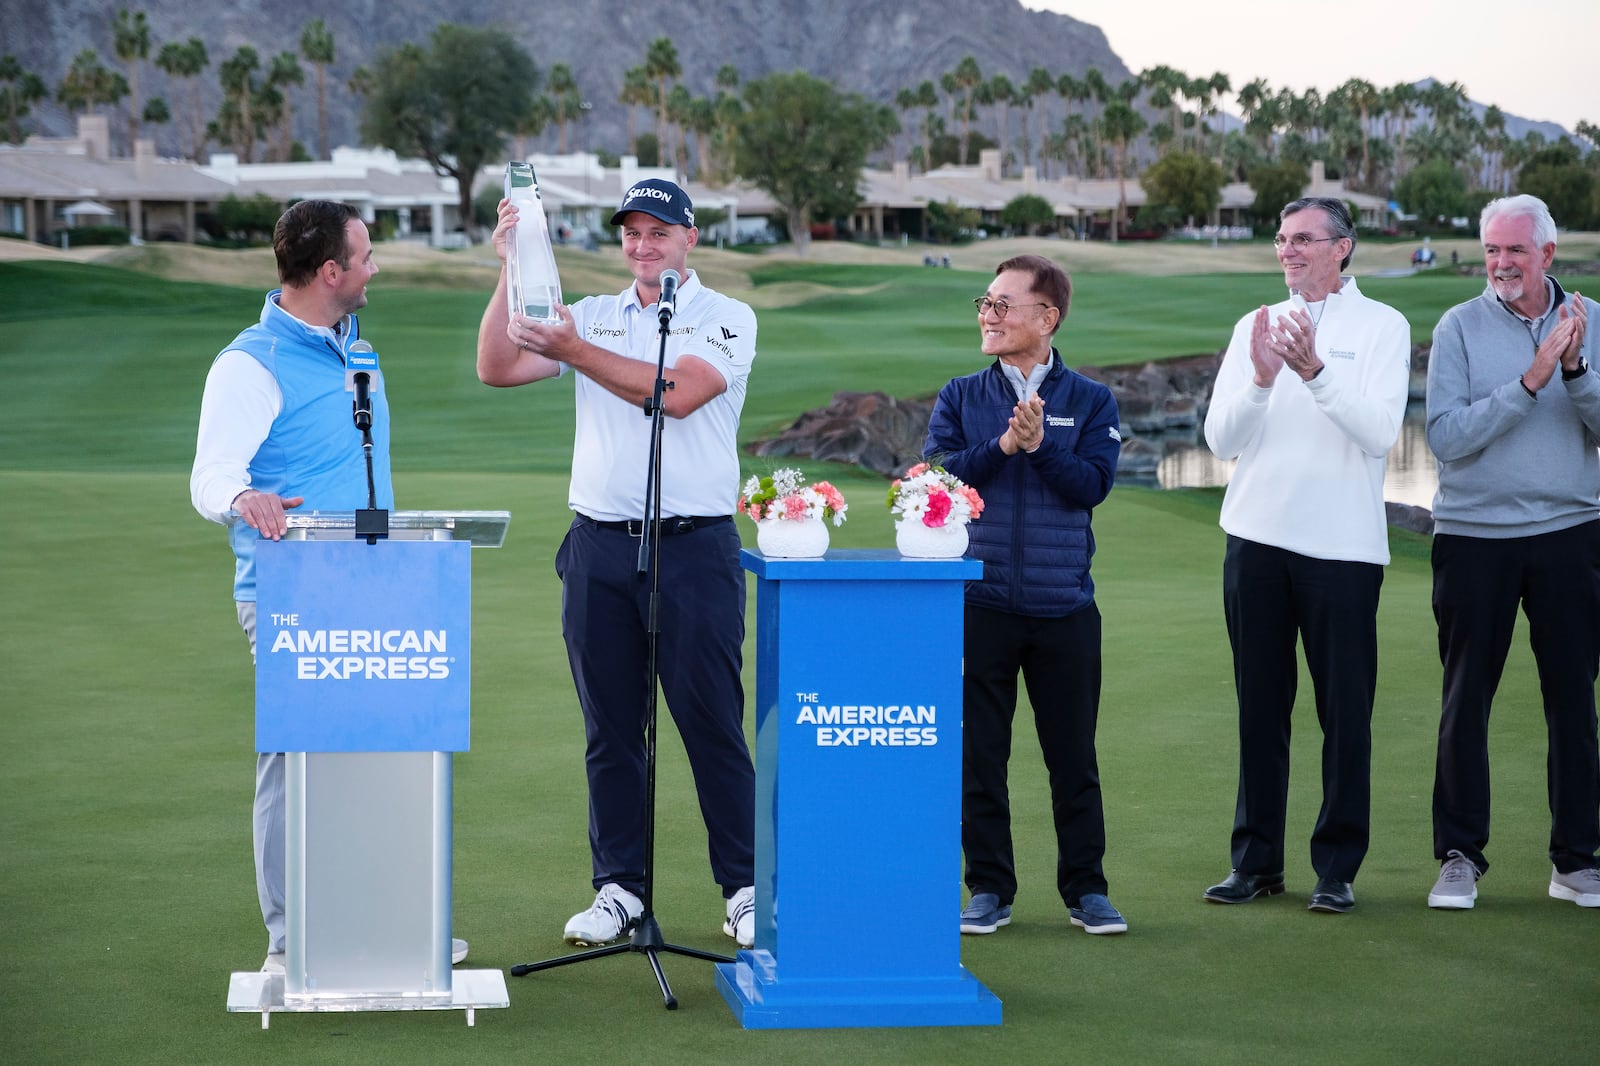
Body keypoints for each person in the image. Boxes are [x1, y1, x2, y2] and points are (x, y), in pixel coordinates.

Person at [476, 179, 757, 948]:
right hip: (599, 544)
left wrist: (573, 349)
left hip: (695, 546)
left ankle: (742, 887)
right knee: (610, 729)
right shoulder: (594, 315)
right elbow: (498, 367)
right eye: (631, 233)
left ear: (689, 237)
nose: (643, 245)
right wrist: (510, 266)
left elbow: (677, 391)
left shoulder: (725, 318)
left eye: (658, 231)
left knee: (710, 724)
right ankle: (619, 889)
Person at [190, 199, 466, 972]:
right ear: (330, 271)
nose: (376, 268)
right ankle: (293, 939)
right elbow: (212, 474)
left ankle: (392, 922)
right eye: (367, 257)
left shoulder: (359, 352)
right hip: (292, 591)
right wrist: (243, 498)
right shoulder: (251, 363)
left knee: (381, 752)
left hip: (378, 585)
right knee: (295, 754)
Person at [1201, 197, 1411, 915]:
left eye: (1304, 240)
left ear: (1342, 248)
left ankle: (1336, 869)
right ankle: (1255, 863)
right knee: (1260, 709)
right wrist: (1262, 378)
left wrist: (1316, 370)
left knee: (1344, 714)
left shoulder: (1383, 327)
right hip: (1255, 541)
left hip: (1343, 549)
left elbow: (1382, 432)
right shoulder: (1251, 325)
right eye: (1282, 239)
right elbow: (1221, 441)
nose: (1288, 251)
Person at [926, 254, 1128, 937]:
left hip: (1064, 606)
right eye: (985, 303)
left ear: (1048, 318)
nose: (989, 315)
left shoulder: (1092, 400)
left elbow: (1092, 486)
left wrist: (1040, 447)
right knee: (982, 755)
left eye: (1003, 305)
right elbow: (939, 479)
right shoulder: (960, 395)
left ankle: (1087, 890)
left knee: (1072, 756)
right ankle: (988, 888)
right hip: (979, 604)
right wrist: (1004, 446)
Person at [1423, 194, 1600, 910]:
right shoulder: (1458, 326)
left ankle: (1577, 861)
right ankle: (1461, 856)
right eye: (1491, 251)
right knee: (1467, 701)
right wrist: (1530, 382)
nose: (1499, 264)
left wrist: (1577, 368)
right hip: (1474, 538)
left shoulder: (1589, 323)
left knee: (1572, 702)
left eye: (1514, 251)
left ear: (1547, 255)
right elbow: (1445, 437)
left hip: (1571, 533)